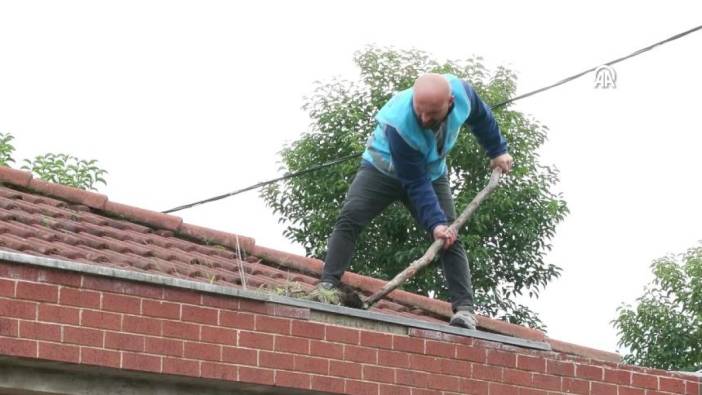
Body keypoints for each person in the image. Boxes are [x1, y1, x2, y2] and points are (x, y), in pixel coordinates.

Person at [318, 73, 513, 329]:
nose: (424, 119)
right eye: (419, 112)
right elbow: (414, 182)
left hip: (431, 172)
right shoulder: (399, 122)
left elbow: (482, 119)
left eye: (432, 114)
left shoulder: (463, 94)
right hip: (382, 170)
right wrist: (434, 223)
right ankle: (327, 286)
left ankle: (464, 311)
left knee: (450, 236)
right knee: (351, 216)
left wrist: (498, 151)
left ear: (450, 102)